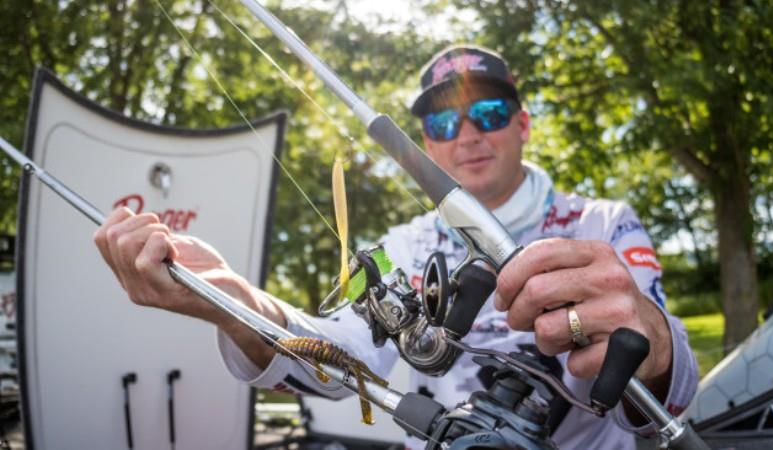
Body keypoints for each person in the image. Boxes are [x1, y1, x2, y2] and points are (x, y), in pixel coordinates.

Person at [94, 44, 698, 449]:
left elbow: (664, 380)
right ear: (428, 146)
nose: (466, 134)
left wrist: (653, 340)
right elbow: (340, 356)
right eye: (441, 123)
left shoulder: (604, 222)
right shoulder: (396, 249)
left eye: (487, 111)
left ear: (523, 122)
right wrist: (232, 300)